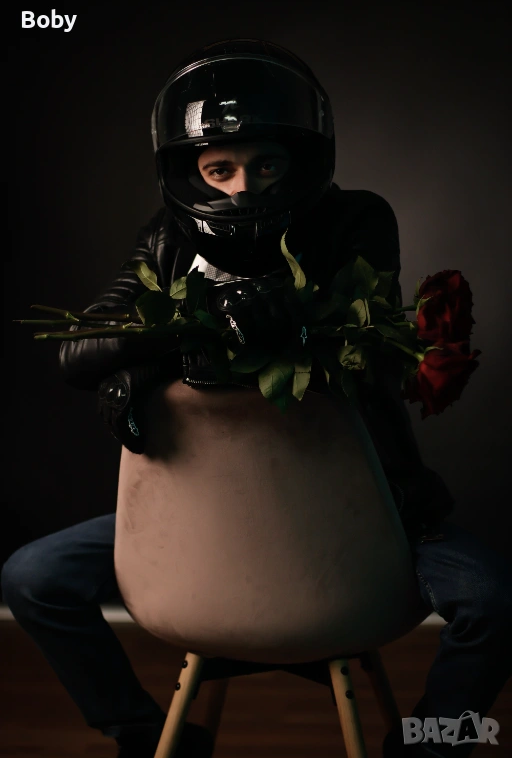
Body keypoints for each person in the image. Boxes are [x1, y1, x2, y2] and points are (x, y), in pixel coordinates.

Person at [2, 39, 511, 758]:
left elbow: (357, 352)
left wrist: (171, 353)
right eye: (221, 169)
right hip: (203, 516)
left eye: (265, 165)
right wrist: (192, 331)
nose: (244, 189)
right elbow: (78, 351)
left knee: (495, 601)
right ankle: (142, 735)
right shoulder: (165, 240)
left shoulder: (357, 220)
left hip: (372, 516)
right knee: (32, 578)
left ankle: (427, 749)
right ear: (191, 171)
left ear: (300, 161)